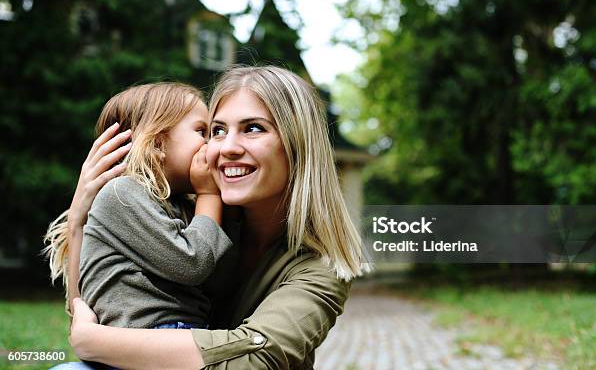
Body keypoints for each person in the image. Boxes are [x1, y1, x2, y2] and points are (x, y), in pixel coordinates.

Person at [50, 66, 369, 369]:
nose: (225, 147)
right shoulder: (192, 213)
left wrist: (94, 341)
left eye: (253, 128)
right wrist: (79, 220)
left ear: (298, 146)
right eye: (216, 130)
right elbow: (95, 305)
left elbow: (256, 359)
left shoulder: (322, 266)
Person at [43, 82, 233, 331]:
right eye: (202, 132)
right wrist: (209, 194)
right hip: (159, 334)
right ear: (156, 142)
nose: (212, 144)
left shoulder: (182, 205)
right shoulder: (122, 193)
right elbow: (192, 264)